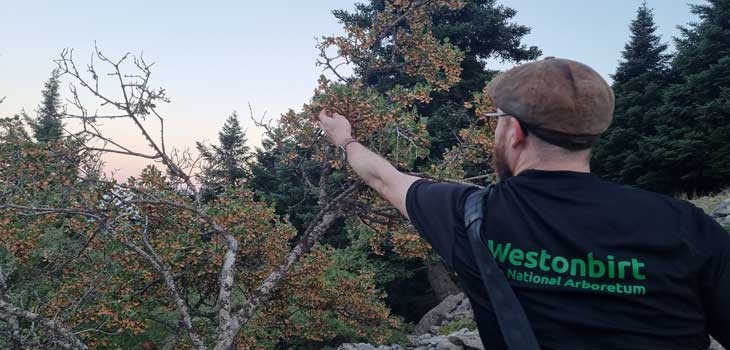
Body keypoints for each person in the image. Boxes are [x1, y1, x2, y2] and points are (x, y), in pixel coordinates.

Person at [318, 57, 730, 350]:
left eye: (496, 121)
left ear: (514, 131)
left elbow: (383, 178)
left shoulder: (468, 215)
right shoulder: (684, 224)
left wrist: (345, 139)